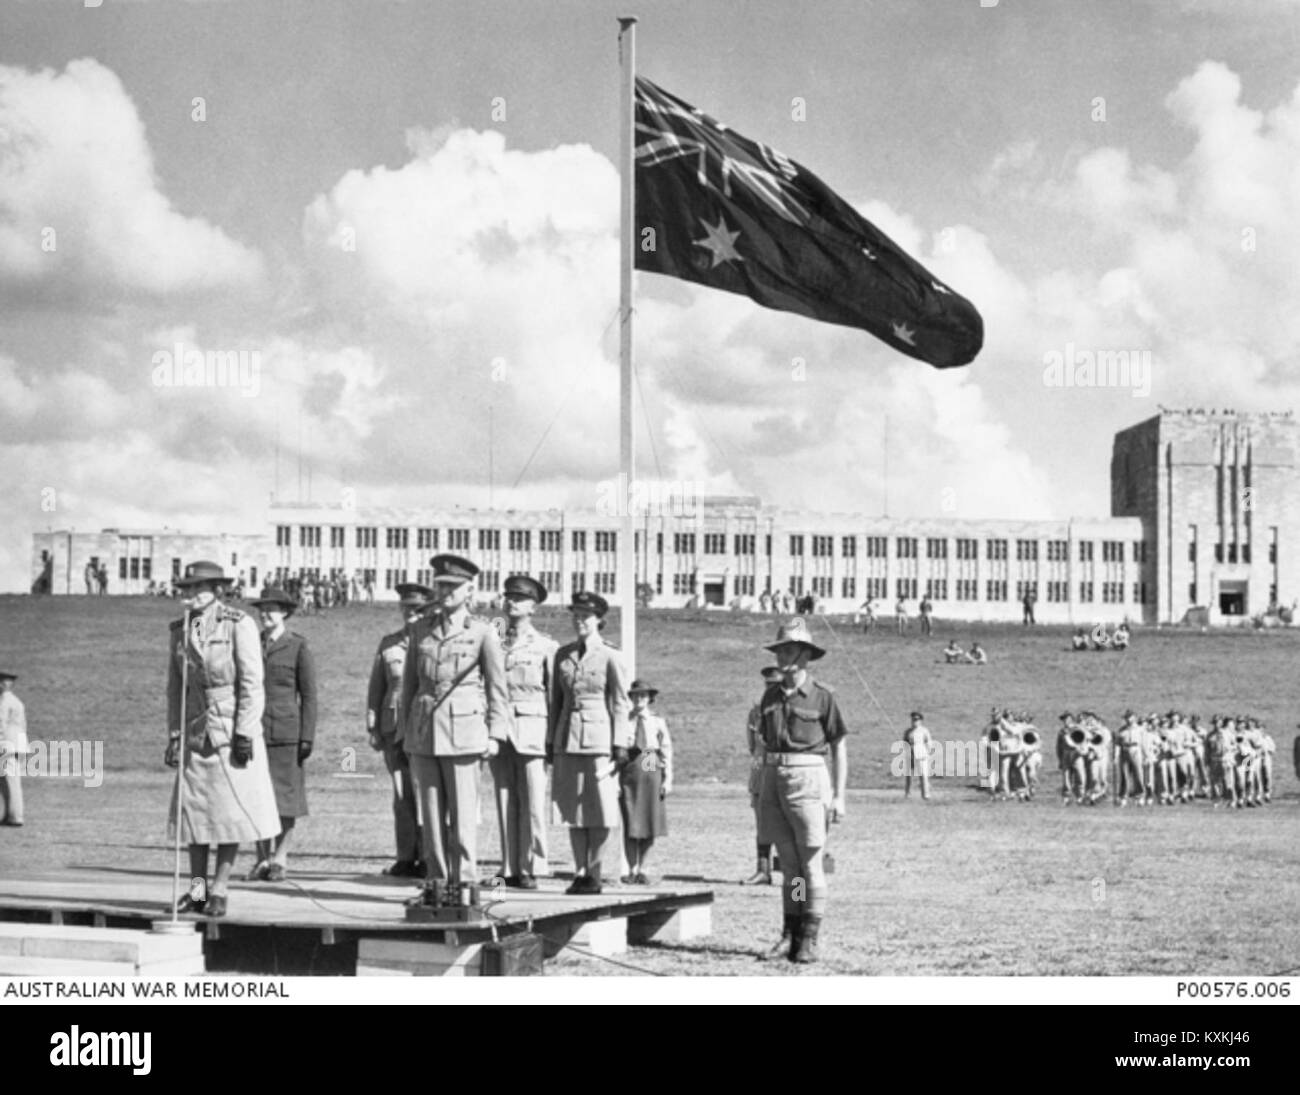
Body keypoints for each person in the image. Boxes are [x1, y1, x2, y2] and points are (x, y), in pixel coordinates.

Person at [164, 560, 280, 918]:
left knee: (230, 815)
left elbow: (251, 683)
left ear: (217, 590)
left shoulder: (238, 623)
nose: (192, 595)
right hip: (196, 731)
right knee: (196, 819)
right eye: (187, 589)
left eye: (200, 588)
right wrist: (174, 733)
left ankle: (220, 889)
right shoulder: (180, 629)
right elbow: (175, 687)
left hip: (230, 730)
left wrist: (245, 732)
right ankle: (197, 892)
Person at [400, 554, 509, 907]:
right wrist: (406, 733)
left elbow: (497, 688)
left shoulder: (482, 632)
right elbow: (411, 686)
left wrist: (496, 734)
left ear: (470, 590)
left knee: (463, 816)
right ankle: (436, 884)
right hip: (425, 732)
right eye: (441, 585)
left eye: (453, 586)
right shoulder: (420, 629)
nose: (445, 592)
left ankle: (464, 886)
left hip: (465, 734)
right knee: (430, 816)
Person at [755, 617, 848, 965]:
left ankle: (809, 937)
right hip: (773, 778)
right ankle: (790, 933)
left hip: (809, 779)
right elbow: (763, 743)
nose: (785, 657)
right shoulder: (769, 696)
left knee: (811, 864)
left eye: (792, 650)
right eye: (781, 650)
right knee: (790, 866)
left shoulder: (823, 697)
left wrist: (839, 796)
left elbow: (839, 745)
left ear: (807, 655)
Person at [548, 591, 631, 894]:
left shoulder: (611, 655)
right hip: (567, 739)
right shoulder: (563, 655)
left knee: (600, 810)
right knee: (573, 810)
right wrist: (551, 740)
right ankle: (579, 870)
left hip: (599, 741)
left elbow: (621, 702)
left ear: (599, 620)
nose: (579, 621)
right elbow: (556, 702)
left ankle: (595, 871)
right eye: (576, 615)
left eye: (585, 616)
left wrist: (620, 743)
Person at [489, 574, 557, 890]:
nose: (511, 602)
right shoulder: (493, 641)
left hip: (533, 727)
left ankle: (534, 865)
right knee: (504, 799)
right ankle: (509, 866)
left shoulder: (545, 645)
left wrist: (553, 737)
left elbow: (555, 695)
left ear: (533, 607)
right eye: (508, 597)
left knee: (532, 802)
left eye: (519, 598)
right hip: (500, 729)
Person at [246, 587, 318, 881]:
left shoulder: (297, 646)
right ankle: (261, 858)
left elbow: (309, 695)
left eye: (273, 609)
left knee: (285, 799)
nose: (266, 614)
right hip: (253, 731)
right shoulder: (251, 643)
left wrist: (307, 736)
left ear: (285, 613)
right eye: (262, 609)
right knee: (255, 797)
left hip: (287, 732)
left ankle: (280, 857)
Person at [366, 582, 430, 878]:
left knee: (427, 793)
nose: (410, 615)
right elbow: (378, 684)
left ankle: (430, 856)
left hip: (423, 727)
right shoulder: (389, 643)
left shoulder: (431, 643)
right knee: (402, 793)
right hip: (393, 726)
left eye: (417, 609)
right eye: (406, 609)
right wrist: (372, 721)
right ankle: (406, 856)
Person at [619, 679, 673, 885]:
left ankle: (644, 867)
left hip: (650, 760)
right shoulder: (624, 719)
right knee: (631, 821)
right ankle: (631, 868)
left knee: (649, 821)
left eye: (643, 695)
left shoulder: (656, 721)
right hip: (629, 765)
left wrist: (667, 779)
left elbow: (666, 749)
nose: (639, 699)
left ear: (650, 698)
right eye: (635, 695)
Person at [742, 666, 785, 885]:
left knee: (788, 824)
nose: (771, 689)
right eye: (768, 685)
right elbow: (753, 745)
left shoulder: (789, 708)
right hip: (762, 771)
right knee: (762, 823)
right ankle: (763, 869)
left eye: (776, 685)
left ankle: (792, 874)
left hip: (785, 772)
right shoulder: (756, 711)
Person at [0, 671, 27, 827]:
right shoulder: (16, 701)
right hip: (15, 745)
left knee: (9, 783)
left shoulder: (4, 701)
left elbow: (1, 723)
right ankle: (10, 815)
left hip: (6, 745)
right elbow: (22, 726)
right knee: (8, 782)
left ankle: (15, 817)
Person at [903, 711, 931, 800]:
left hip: (921, 755)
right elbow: (904, 743)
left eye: (916, 719)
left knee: (923, 775)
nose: (915, 721)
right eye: (913, 719)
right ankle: (908, 794)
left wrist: (927, 753)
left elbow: (929, 742)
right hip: (910, 755)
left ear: (920, 720)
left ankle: (925, 795)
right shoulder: (908, 731)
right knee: (909, 776)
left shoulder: (924, 731)